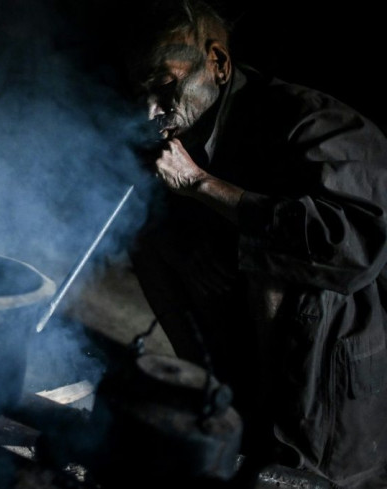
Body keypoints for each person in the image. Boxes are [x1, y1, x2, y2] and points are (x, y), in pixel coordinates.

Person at [115, 1, 387, 487]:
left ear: (217, 63)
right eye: (141, 93)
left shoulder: (312, 123)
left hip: (329, 372)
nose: (150, 111)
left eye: (164, 86)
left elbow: (353, 250)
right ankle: (226, 411)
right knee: (152, 242)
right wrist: (181, 241)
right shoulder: (181, 123)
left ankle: (283, 445)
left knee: (277, 261)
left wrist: (200, 184)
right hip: (245, 344)